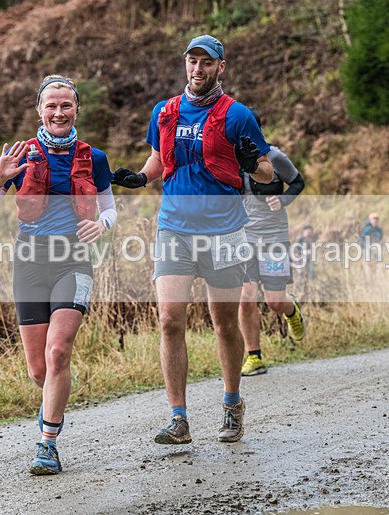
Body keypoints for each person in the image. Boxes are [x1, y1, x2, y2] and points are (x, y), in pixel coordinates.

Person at [111, 34, 274, 445]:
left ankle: (232, 404)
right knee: (169, 320)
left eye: (206, 62)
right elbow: (158, 159)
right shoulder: (164, 111)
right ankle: (178, 418)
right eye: (192, 61)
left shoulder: (238, 116)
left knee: (223, 324)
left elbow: (268, 173)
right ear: (185, 64)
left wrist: (252, 162)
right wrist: (140, 177)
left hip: (224, 231)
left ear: (221, 67)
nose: (198, 69)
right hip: (174, 229)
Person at [0, 75, 117, 475]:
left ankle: (47, 444)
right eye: (51, 106)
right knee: (40, 370)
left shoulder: (95, 158)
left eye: (66, 105)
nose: (58, 112)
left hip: (74, 260)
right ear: (39, 110)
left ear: (76, 110)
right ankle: (54, 401)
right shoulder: (19, 156)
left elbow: (109, 209)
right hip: (30, 262)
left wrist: (101, 226)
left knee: (58, 352)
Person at [238, 108, 306, 377]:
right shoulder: (233, 158)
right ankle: (254, 356)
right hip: (243, 237)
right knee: (246, 297)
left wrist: (284, 199)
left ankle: (292, 312)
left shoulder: (275, 156)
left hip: (273, 236)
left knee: (275, 301)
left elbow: (298, 183)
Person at [360, 212, 383, 278]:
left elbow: (381, 239)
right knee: (368, 268)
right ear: (370, 220)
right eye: (373, 219)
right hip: (368, 251)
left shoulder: (379, 230)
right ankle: (369, 282)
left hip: (377, 251)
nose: (375, 220)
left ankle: (378, 281)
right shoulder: (367, 230)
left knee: (379, 267)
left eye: (376, 219)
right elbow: (361, 241)